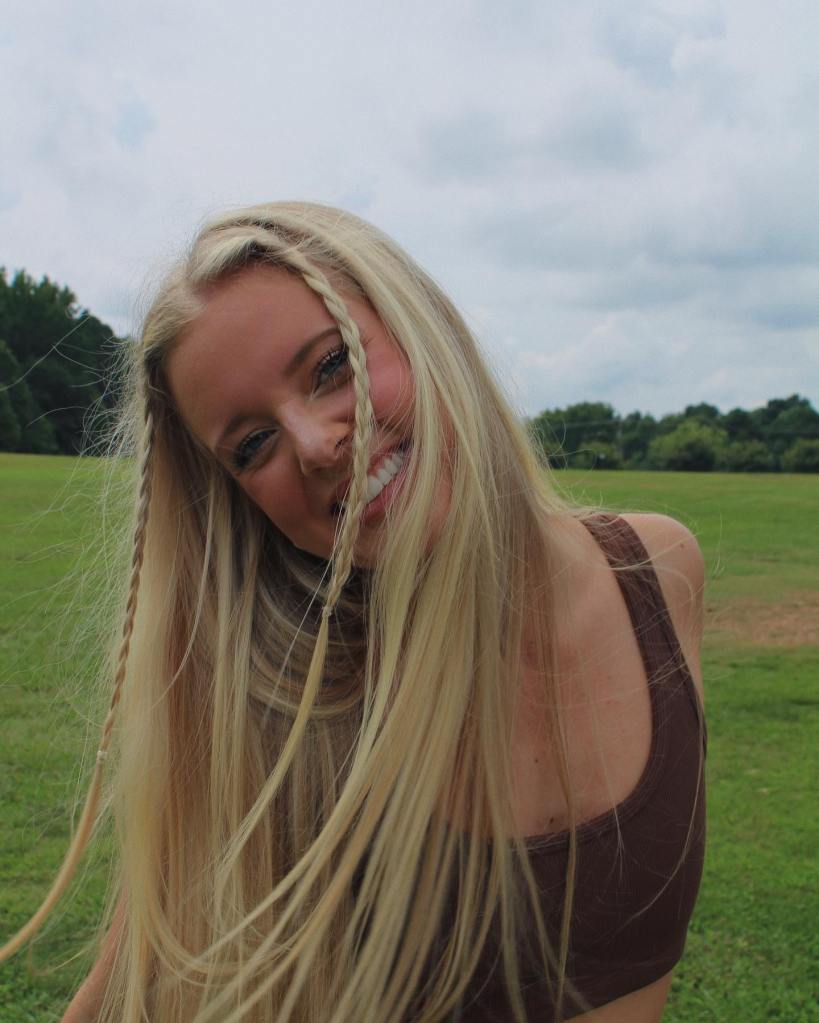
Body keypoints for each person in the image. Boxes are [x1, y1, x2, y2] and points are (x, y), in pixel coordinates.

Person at [1, 202, 706, 1023]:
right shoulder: (279, 701)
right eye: (252, 445)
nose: (312, 441)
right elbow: (121, 994)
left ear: (419, 324)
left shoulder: (659, 572)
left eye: (331, 366)